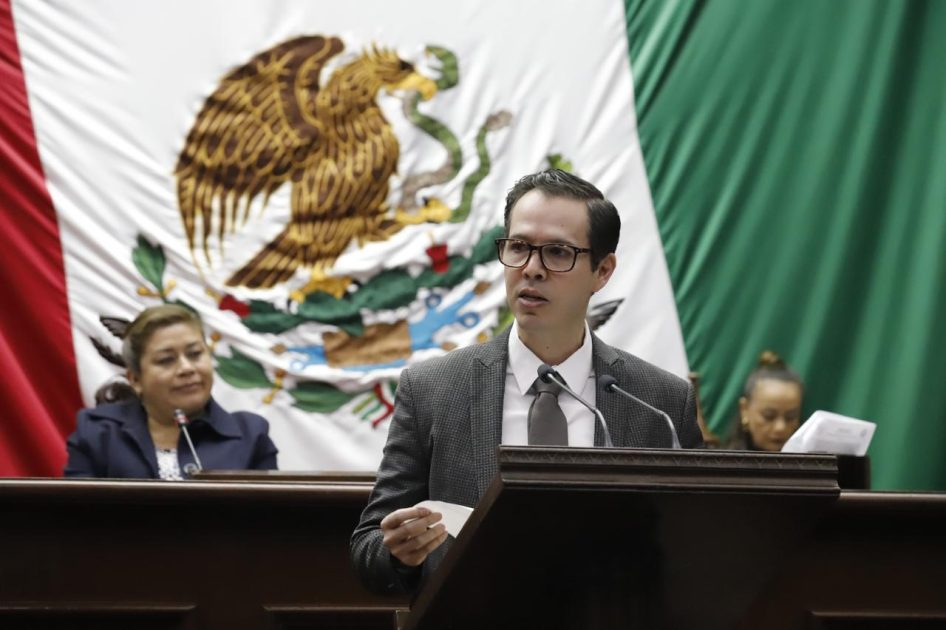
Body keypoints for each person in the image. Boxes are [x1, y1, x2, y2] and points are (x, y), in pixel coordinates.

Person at [350, 169, 703, 595]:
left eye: (557, 252)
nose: (532, 269)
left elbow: (694, 551)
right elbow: (368, 548)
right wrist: (398, 554)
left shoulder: (660, 403)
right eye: (518, 247)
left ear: (603, 271)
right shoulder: (432, 390)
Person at [64, 304, 278, 479]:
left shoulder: (251, 435)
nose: (186, 368)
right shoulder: (98, 433)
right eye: (166, 360)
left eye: (195, 354)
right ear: (135, 379)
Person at [725, 350, 803, 451]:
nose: (780, 428)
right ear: (744, 409)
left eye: (790, 417)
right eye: (769, 416)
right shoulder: (718, 459)